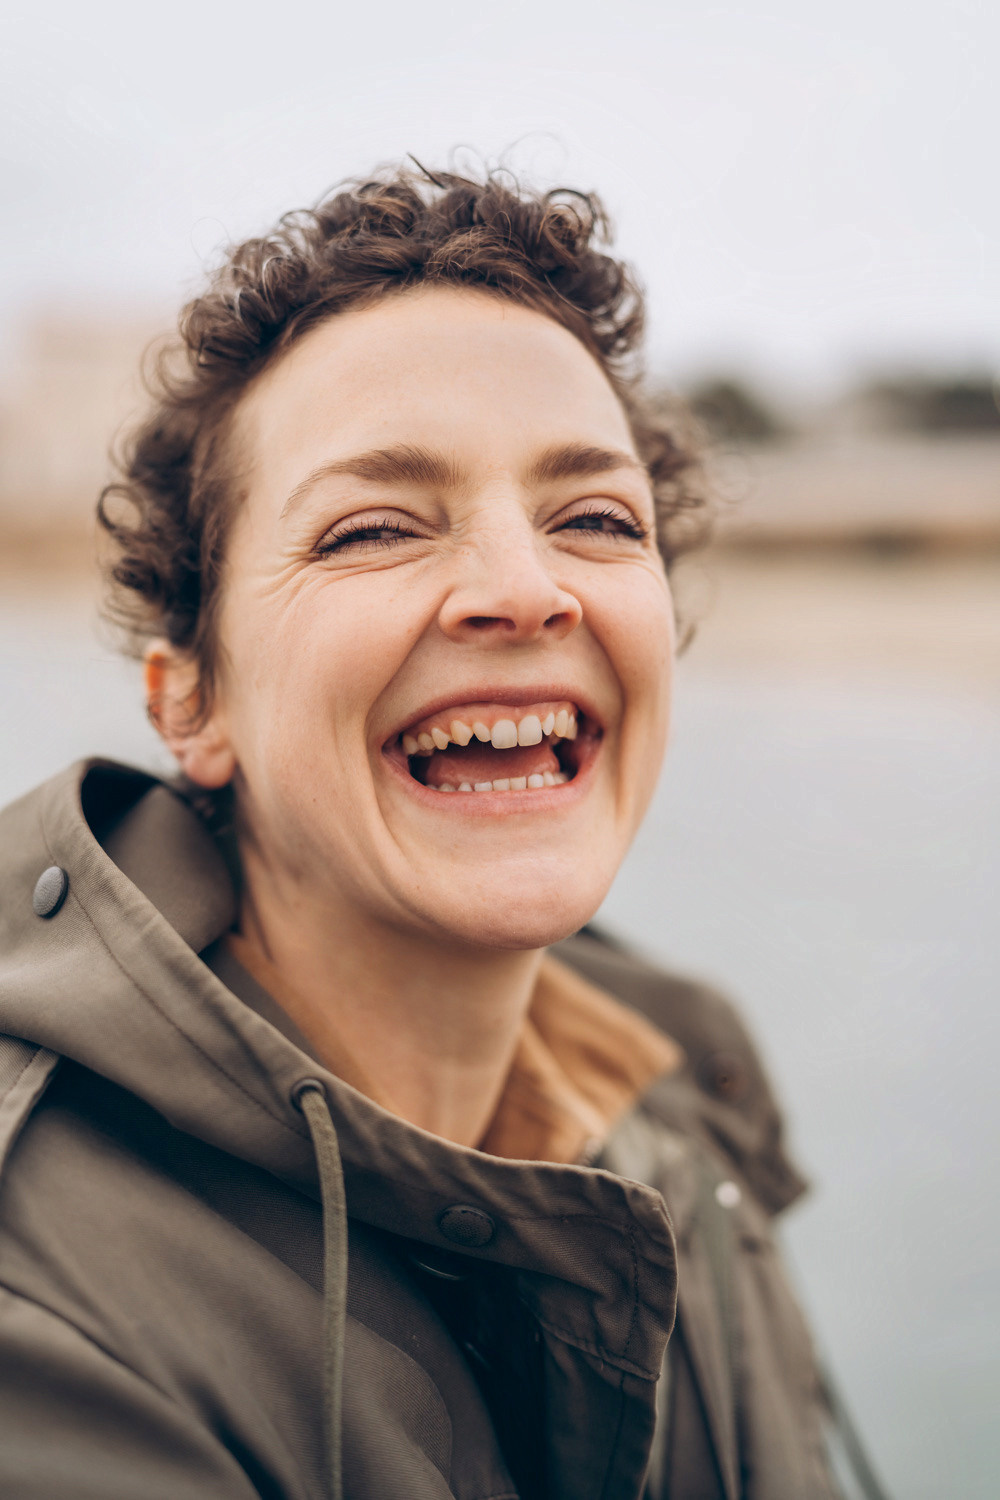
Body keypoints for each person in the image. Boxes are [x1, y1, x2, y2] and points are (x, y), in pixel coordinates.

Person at [0, 164, 842, 1499]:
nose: (525, 587)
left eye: (596, 519)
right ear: (190, 702)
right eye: (375, 526)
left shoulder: (689, 1136)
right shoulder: (40, 1305)